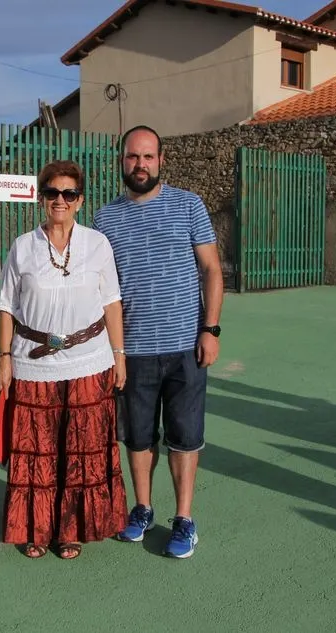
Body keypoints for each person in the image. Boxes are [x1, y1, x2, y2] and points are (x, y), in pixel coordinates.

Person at [92, 124, 223, 559]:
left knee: (184, 437)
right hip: (132, 351)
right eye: (133, 156)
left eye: (148, 156)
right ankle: (143, 508)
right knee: (138, 437)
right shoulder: (105, 219)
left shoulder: (188, 205)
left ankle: (183, 518)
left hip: (186, 347)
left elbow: (211, 270)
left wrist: (210, 329)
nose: (140, 164)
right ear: (122, 161)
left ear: (161, 160)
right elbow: (99, 287)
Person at [0, 159, 128, 560]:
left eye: (69, 193)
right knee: (38, 451)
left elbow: (111, 302)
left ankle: (71, 529)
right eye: (52, 192)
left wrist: (119, 355)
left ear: (80, 201)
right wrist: (4, 359)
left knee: (82, 450)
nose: (60, 200)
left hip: (89, 361)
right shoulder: (22, 247)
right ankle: (36, 529)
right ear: (42, 198)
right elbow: (6, 307)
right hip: (33, 364)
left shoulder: (98, 244)